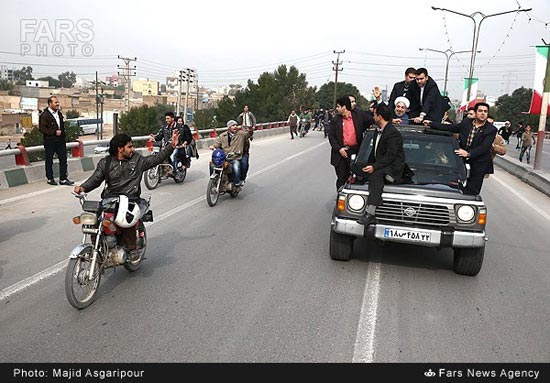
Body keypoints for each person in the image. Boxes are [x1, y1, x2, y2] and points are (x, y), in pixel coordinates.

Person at [74, 129, 179, 256]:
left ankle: (132, 249)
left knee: (126, 219)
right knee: (95, 221)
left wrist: (171, 146)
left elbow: (156, 159)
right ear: (120, 149)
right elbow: (95, 179)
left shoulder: (137, 160)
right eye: (129, 147)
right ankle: (99, 248)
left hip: (131, 200)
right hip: (110, 200)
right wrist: (83, 188)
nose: (132, 149)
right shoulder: (105, 163)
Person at [424, 102, 497, 195]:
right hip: (461, 159)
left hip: (479, 162)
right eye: (480, 111)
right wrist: (432, 124)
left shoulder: (491, 129)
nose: (483, 113)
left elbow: (484, 147)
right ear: (475, 113)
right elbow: (452, 128)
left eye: (485, 111)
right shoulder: (467, 122)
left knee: (472, 191)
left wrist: (468, 153)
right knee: (455, 186)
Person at [356, 103, 406, 226]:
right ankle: (367, 174)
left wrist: (374, 167)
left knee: (375, 175)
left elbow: (390, 156)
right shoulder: (376, 131)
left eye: (374, 114)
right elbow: (374, 153)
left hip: (391, 167)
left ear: (380, 116)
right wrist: (368, 165)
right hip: (380, 164)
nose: (373, 117)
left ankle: (370, 212)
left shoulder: (393, 133)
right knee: (355, 166)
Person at [328, 96, 373, 190]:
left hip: (355, 151)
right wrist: (339, 149)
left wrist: (391, 120)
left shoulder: (359, 115)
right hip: (341, 153)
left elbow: (374, 119)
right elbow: (331, 137)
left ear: (344, 107)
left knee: (357, 178)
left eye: (338, 106)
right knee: (342, 178)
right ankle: (340, 196)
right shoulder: (335, 120)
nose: (337, 109)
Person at [39, 95, 74, 186]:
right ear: (50, 103)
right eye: (55, 102)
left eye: (58, 102)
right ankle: (50, 178)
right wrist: (54, 132)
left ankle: (63, 178)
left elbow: (62, 126)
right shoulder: (44, 115)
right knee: (49, 160)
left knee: (63, 159)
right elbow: (42, 128)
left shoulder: (59, 113)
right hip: (50, 141)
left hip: (60, 141)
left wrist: (62, 135)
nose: (58, 104)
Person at [208, 120, 253, 187]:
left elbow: (248, 134)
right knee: (212, 164)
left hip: (235, 157)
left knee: (236, 167)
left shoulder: (241, 134)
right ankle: (215, 180)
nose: (235, 127)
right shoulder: (223, 136)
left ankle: (237, 182)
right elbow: (217, 142)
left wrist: (250, 130)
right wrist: (213, 146)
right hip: (224, 157)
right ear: (229, 127)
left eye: (236, 125)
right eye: (233, 125)